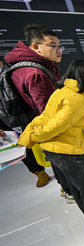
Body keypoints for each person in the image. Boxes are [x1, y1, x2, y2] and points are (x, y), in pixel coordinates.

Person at [18, 59, 84, 234]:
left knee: (77, 185)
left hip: (55, 149)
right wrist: (33, 136)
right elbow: (54, 126)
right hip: (68, 150)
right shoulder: (78, 100)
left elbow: (44, 117)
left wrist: (29, 134)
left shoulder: (63, 91)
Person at [3, 24, 62, 188]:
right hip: (49, 129)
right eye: (53, 45)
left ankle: (66, 187)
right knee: (63, 164)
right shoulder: (35, 73)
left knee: (56, 161)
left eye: (59, 45)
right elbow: (48, 110)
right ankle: (68, 190)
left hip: (35, 126)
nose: (59, 49)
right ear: (36, 46)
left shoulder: (23, 65)